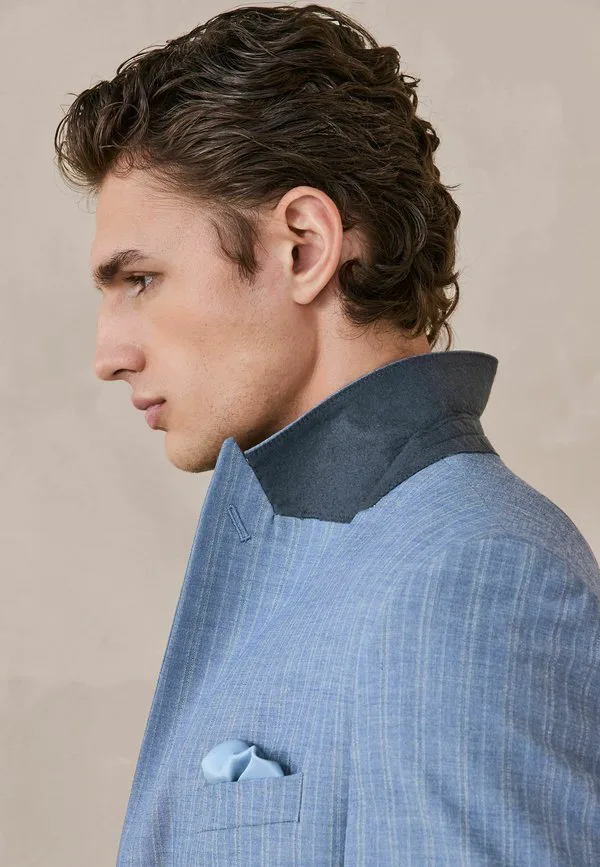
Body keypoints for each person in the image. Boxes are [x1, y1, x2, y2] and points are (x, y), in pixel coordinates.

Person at [54, 4, 600, 865]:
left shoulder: (472, 577)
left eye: (143, 279)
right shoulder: (330, 560)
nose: (108, 355)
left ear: (304, 247)